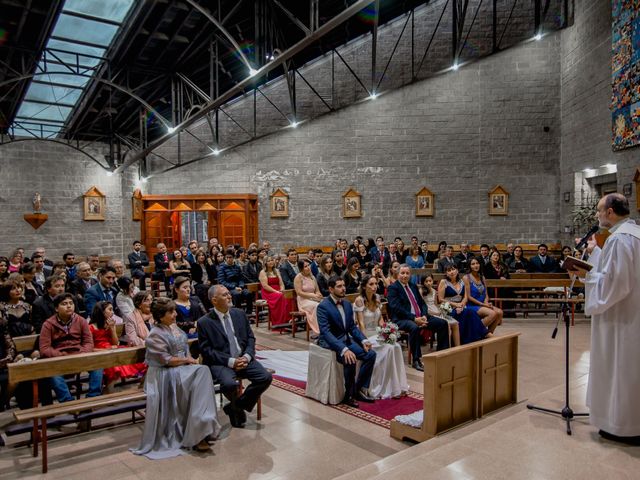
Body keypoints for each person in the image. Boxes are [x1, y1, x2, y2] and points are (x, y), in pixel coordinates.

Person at [567, 193, 640, 444]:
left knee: (621, 367)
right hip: (633, 313)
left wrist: (586, 276)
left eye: (599, 211)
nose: (597, 216)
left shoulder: (620, 239)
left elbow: (616, 284)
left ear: (610, 212)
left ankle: (622, 426)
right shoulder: (635, 234)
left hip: (622, 318)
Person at [132, 297, 220, 458]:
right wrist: (187, 360)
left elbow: (185, 349)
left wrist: (189, 360)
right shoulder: (154, 334)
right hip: (164, 374)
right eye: (171, 312)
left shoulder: (175, 328)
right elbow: (165, 360)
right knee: (202, 372)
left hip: (181, 369)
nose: (175, 315)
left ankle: (201, 426)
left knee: (202, 373)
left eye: (174, 311)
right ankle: (199, 428)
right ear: (160, 315)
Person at [197, 285, 272, 428]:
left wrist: (247, 356)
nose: (230, 296)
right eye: (225, 295)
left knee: (265, 377)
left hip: (243, 358)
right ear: (214, 300)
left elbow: (250, 338)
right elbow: (207, 350)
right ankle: (237, 410)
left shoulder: (239, 314)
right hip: (221, 362)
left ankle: (235, 407)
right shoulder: (204, 322)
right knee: (230, 384)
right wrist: (231, 361)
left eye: (228, 294)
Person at [317, 277, 376, 408]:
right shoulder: (323, 306)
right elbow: (325, 332)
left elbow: (352, 327)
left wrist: (363, 340)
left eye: (344, 285)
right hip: (331, 342)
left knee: (370, 355)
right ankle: (348, 395)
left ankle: (359, 389)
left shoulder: (347, 304)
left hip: (346, 340)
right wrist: (344, 349)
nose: (343, 288)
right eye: (339, 286)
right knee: (350, 358)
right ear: (331, 289)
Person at [39, 293, 103, 401]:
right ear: (56, 308)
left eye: (71, 303)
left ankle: (92, 398)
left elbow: (88, 342)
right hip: (59, 359)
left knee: (98, 365)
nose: (69, 306)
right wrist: (60, 355)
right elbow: (45, 348)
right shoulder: (48, 324)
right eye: (64, 304)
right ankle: (68, 402)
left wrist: (83, 353)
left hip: (79, 356)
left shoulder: (81, 320)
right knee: (53, 374)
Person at [353, 275, 408, 398]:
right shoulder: (359, 300)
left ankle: (395, 386)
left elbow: (380, 320)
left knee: (396, 346)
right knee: (388, 348)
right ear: (364, 286)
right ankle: (379, 386)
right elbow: (360, 323)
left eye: (375, 284)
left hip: (377, 333)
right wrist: (364, 340)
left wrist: (388, 331)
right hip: (365, 335)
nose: (374, 287)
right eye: (371, 284)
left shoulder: (377, 298)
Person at [387, 265, 450, 371]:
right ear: (398, 274)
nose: (405, 275)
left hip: (421, 316)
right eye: (402, 273)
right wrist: (414, 319)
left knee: (443, 323)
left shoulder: (413, 286)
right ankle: (416, 360)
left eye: (407, 273)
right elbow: (396, 308)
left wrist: (424, 315)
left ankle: (442, 353)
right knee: (414, 327)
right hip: (402, 319)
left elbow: (422, 304)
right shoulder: (393, 288)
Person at [89, 301, 146, 392]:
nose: (113, 312)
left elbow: (115, 343)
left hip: (112, 349)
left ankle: (142, 387)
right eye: (110, 309)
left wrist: (112, 328)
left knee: (141, 360)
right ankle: (109, 391)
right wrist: (105, 350)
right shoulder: (91, 327)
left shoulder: (110, 324)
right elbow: (89, 348)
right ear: (102, 311)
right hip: (99, 352)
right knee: (114, 366)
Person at [438, 264, 489, 344]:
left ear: (457, 271)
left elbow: (465, 297)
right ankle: (484, 334)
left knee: (471, 313)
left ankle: (473, 338)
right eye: (449, 270)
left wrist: (461, 305)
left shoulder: (462, 281)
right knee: (467, 313)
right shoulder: (443, 282)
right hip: (447, 308)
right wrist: (455, 305)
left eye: (453, 269)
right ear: (446, 273)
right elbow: (440, 299)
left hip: (461, 306)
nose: (451, 272)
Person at [464, 258, 502, 335]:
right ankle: (475, 333)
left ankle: (488, 334)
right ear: (469, 266)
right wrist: (483, 305)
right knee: (492, 314)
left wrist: (486, 302)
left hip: (483, 304)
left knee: (499, 312)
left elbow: (486, 294)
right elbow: (468, 297)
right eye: (473, 264)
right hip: (472, 305)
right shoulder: (466, 277)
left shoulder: (482, 277)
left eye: (477, 263)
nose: (476, 265)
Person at [294, 259, 323, 337]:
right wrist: (312, 295)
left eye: (308, 265)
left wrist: (319, 295)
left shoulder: (312, 276)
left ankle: (326, 328)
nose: (308, 267)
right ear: (301, 268)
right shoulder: (298, 277)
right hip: (303, 301)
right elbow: (299, 292)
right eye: (305, 266)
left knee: (326, 304)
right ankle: (317, 331)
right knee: (316, 306)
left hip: (313, 298)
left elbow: (317, 290)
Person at [258, 256, 289, 328]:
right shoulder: (263, 272)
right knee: (280, 296)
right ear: (265, 263)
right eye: (268, 261)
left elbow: (281, 283)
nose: (271, 262)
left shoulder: (277, 270)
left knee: (288, 296)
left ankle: (288, 320)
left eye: (272, 260)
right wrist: (276, 291)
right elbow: (265, 286)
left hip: (278, 291)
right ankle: (279, 322)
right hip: (268, 292)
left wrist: (282, 289)